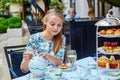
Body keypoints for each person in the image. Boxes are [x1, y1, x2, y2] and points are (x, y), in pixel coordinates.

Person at [20, 9, 66, 73]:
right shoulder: (35, 38)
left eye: (59, 25)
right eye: (52, 24)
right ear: (45, 21)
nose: (56, 28)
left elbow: (59, 62)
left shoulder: (62, 38)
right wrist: (27, 60)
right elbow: (24, 70)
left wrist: (48, 56)